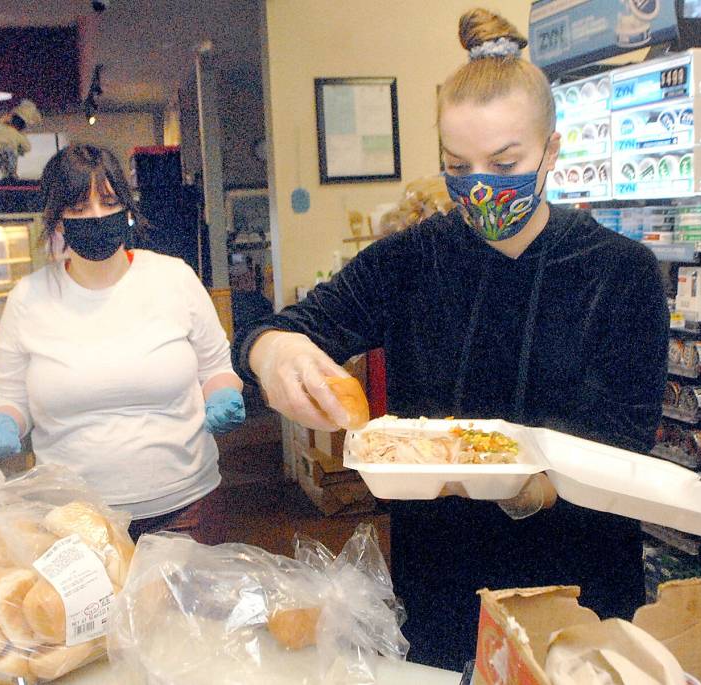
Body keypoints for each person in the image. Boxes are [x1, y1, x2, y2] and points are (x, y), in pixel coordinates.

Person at [233, 9, 668, 671]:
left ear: (551, 151)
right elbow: (280, 329)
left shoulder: (620, 271)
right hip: (444, 587)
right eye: (457, 165)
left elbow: (626, 435)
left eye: (505, 160)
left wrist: (535, 484)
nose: (481, 184)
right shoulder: (409, 260)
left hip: (580, 585)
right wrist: (274, 350)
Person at [0, 144, 245, 543]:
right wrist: (5, 421)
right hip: (74, 519)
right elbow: (12, 396)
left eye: (109, 201)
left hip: (186, 504)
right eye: (79, 207)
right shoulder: (28, 298)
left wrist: (222, 395)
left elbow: (216, 368)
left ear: (127, 207)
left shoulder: (174, 278)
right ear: (57, 218)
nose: (96, 217)